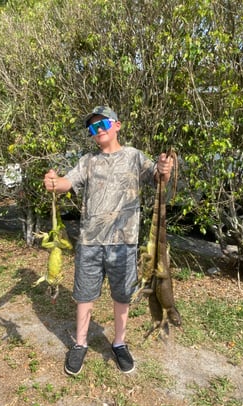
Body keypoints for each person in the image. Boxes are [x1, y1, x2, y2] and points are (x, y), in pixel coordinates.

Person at [43, 106, 173, 376]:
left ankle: (119, 343)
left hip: (123, 243)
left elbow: (158, 177)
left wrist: (164, 168)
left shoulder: (134, 156)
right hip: (90, 242)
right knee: (84, 295)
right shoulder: (88, 161)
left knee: (122, 296)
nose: (97, 130)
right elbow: (68, 182)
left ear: (117, 125)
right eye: (92, 128)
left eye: (102, 124)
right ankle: (80, 344)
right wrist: (54, 182)